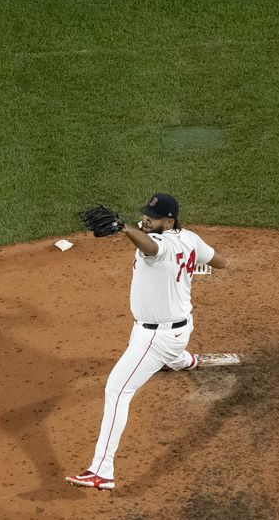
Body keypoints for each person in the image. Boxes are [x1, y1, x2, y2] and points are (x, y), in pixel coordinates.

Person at [66, 193, 228, 491]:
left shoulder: (158, 245)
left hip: (155, 338)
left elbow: (152, 247)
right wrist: (190, 263)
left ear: (169, 220)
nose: (145, 220)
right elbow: (220, 262)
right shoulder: (191, 239)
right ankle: (183, 361)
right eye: (144, 216)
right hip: (180, 331)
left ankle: (102, 470)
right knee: (170, 350)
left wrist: (127, 230)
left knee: (117, 389)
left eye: (152, 218)